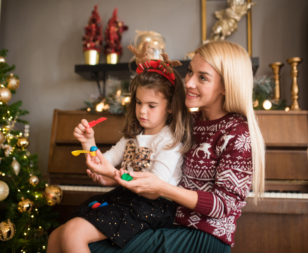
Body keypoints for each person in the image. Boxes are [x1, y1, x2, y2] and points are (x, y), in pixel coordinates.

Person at [84, 40, 266, 253]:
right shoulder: (186, 121)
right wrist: (113, 176)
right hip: (163, 221)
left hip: (203, 235)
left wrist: (162, 188)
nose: (188, 83)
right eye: (190, 72)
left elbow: (224, 205)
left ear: (226, 86)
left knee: (89, 243)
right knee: (69, 236)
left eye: (203, 77)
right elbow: (146, 155)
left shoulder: (237, 132)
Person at [47, 49, 193, 253]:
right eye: (139, 103)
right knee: (56, 236)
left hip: (152, 207)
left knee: (73, 232)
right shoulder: (132, 136)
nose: (142, 111)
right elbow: (103, 162)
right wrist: (88, 142)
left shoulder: (169, 140)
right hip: (125, 198)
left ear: (170, 107)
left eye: (152, 106)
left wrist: (112, 175)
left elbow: (152, 189)